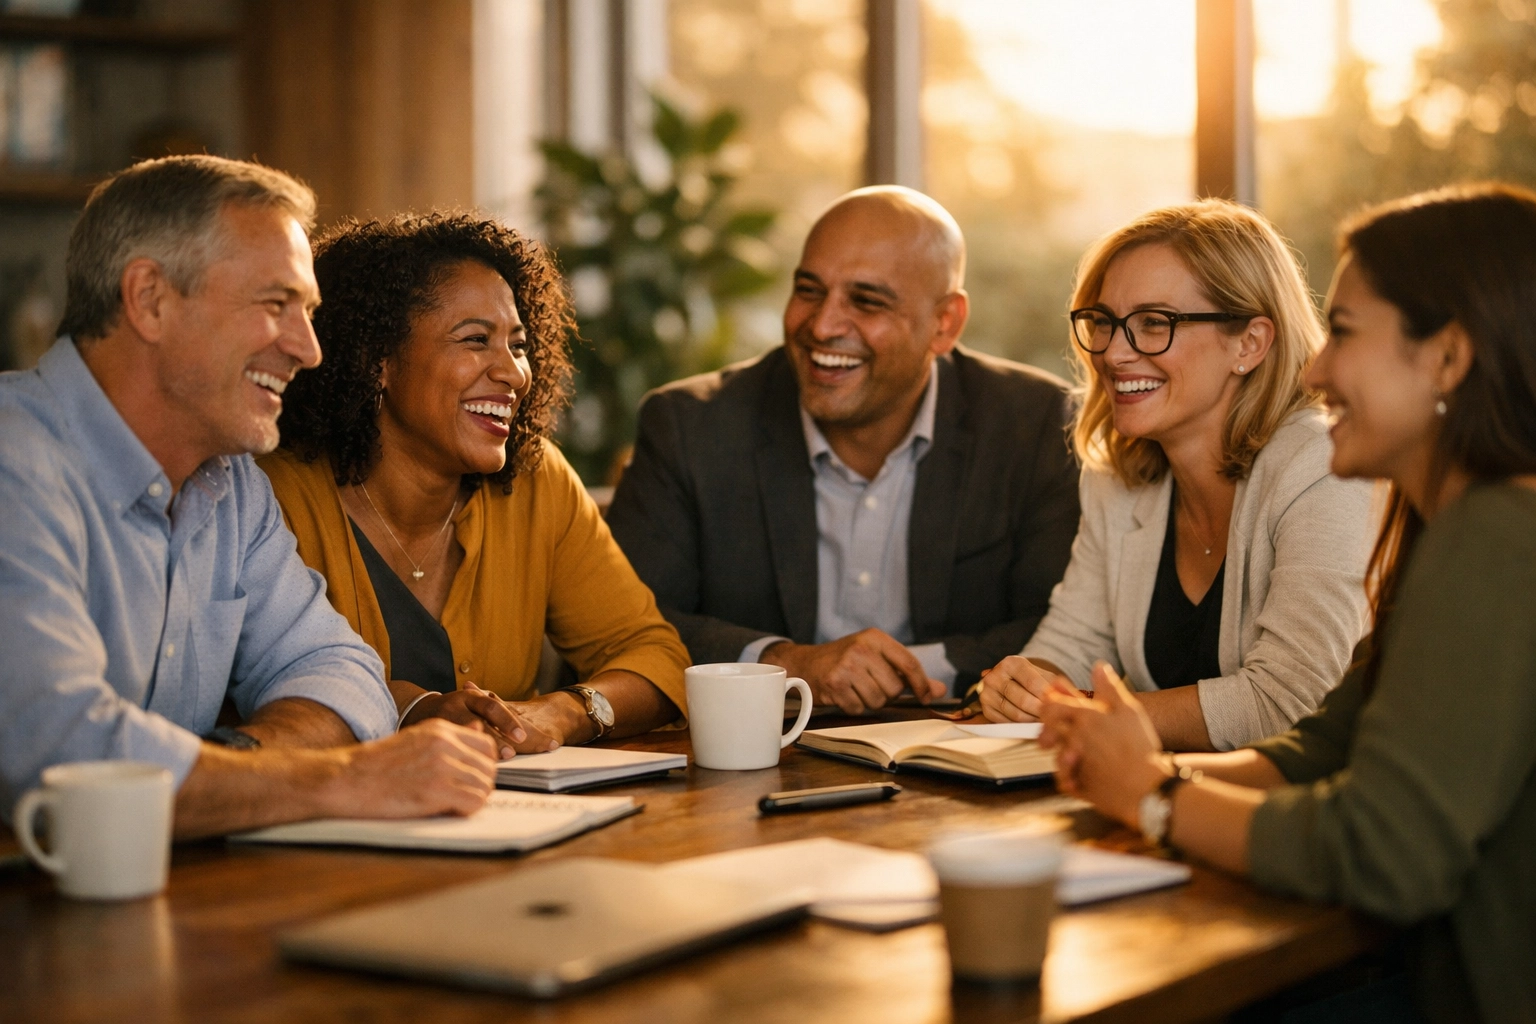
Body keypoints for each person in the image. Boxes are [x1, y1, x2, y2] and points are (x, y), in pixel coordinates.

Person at [1040, 183, 1536, 1022]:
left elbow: (1383, 852)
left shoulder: (1497, 535)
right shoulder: (1446, 526)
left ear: (1447, 358)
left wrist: (1156, 799)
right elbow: (1321, 747)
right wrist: (1133, 773)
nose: (1314, 368)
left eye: (1342, 334)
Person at [0, 156, 500, 839]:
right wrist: (346, 778)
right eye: (276, 304)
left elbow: (345, 676)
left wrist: (234, 767)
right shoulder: (13, 461)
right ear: (148, 298)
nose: (310, 349)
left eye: (310, 312)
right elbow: (67, 760)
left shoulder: (232, 483)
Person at [606, 186, 1081, 715]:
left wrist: (908, 675)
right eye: (809, 291)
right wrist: (791, 664)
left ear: (945, 323)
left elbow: (1060, 626)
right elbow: (626, 625)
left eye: (866, 301)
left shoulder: (1037, 424)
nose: (822, 325)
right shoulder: (689, 425)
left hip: (959, 745)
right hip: (755, 755)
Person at [260, 213, 689, 751]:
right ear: (377, 361)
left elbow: (656, 656)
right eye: (475, 340)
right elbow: (262, 686)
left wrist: (564, 713)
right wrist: (413, 710)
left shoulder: (536, 482)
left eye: (517, 344)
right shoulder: (272, 495)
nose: (512, 372)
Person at [978, 200, 1376, 751]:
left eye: (1153, 323)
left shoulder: (1323, 465)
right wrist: (1024, 685)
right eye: (1104, 322)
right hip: (1153, 802)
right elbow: (1072, 643)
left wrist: (1087, 713)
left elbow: (1292, 700)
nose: (1114, 353)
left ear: (1250, 343)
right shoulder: (1118, 479)